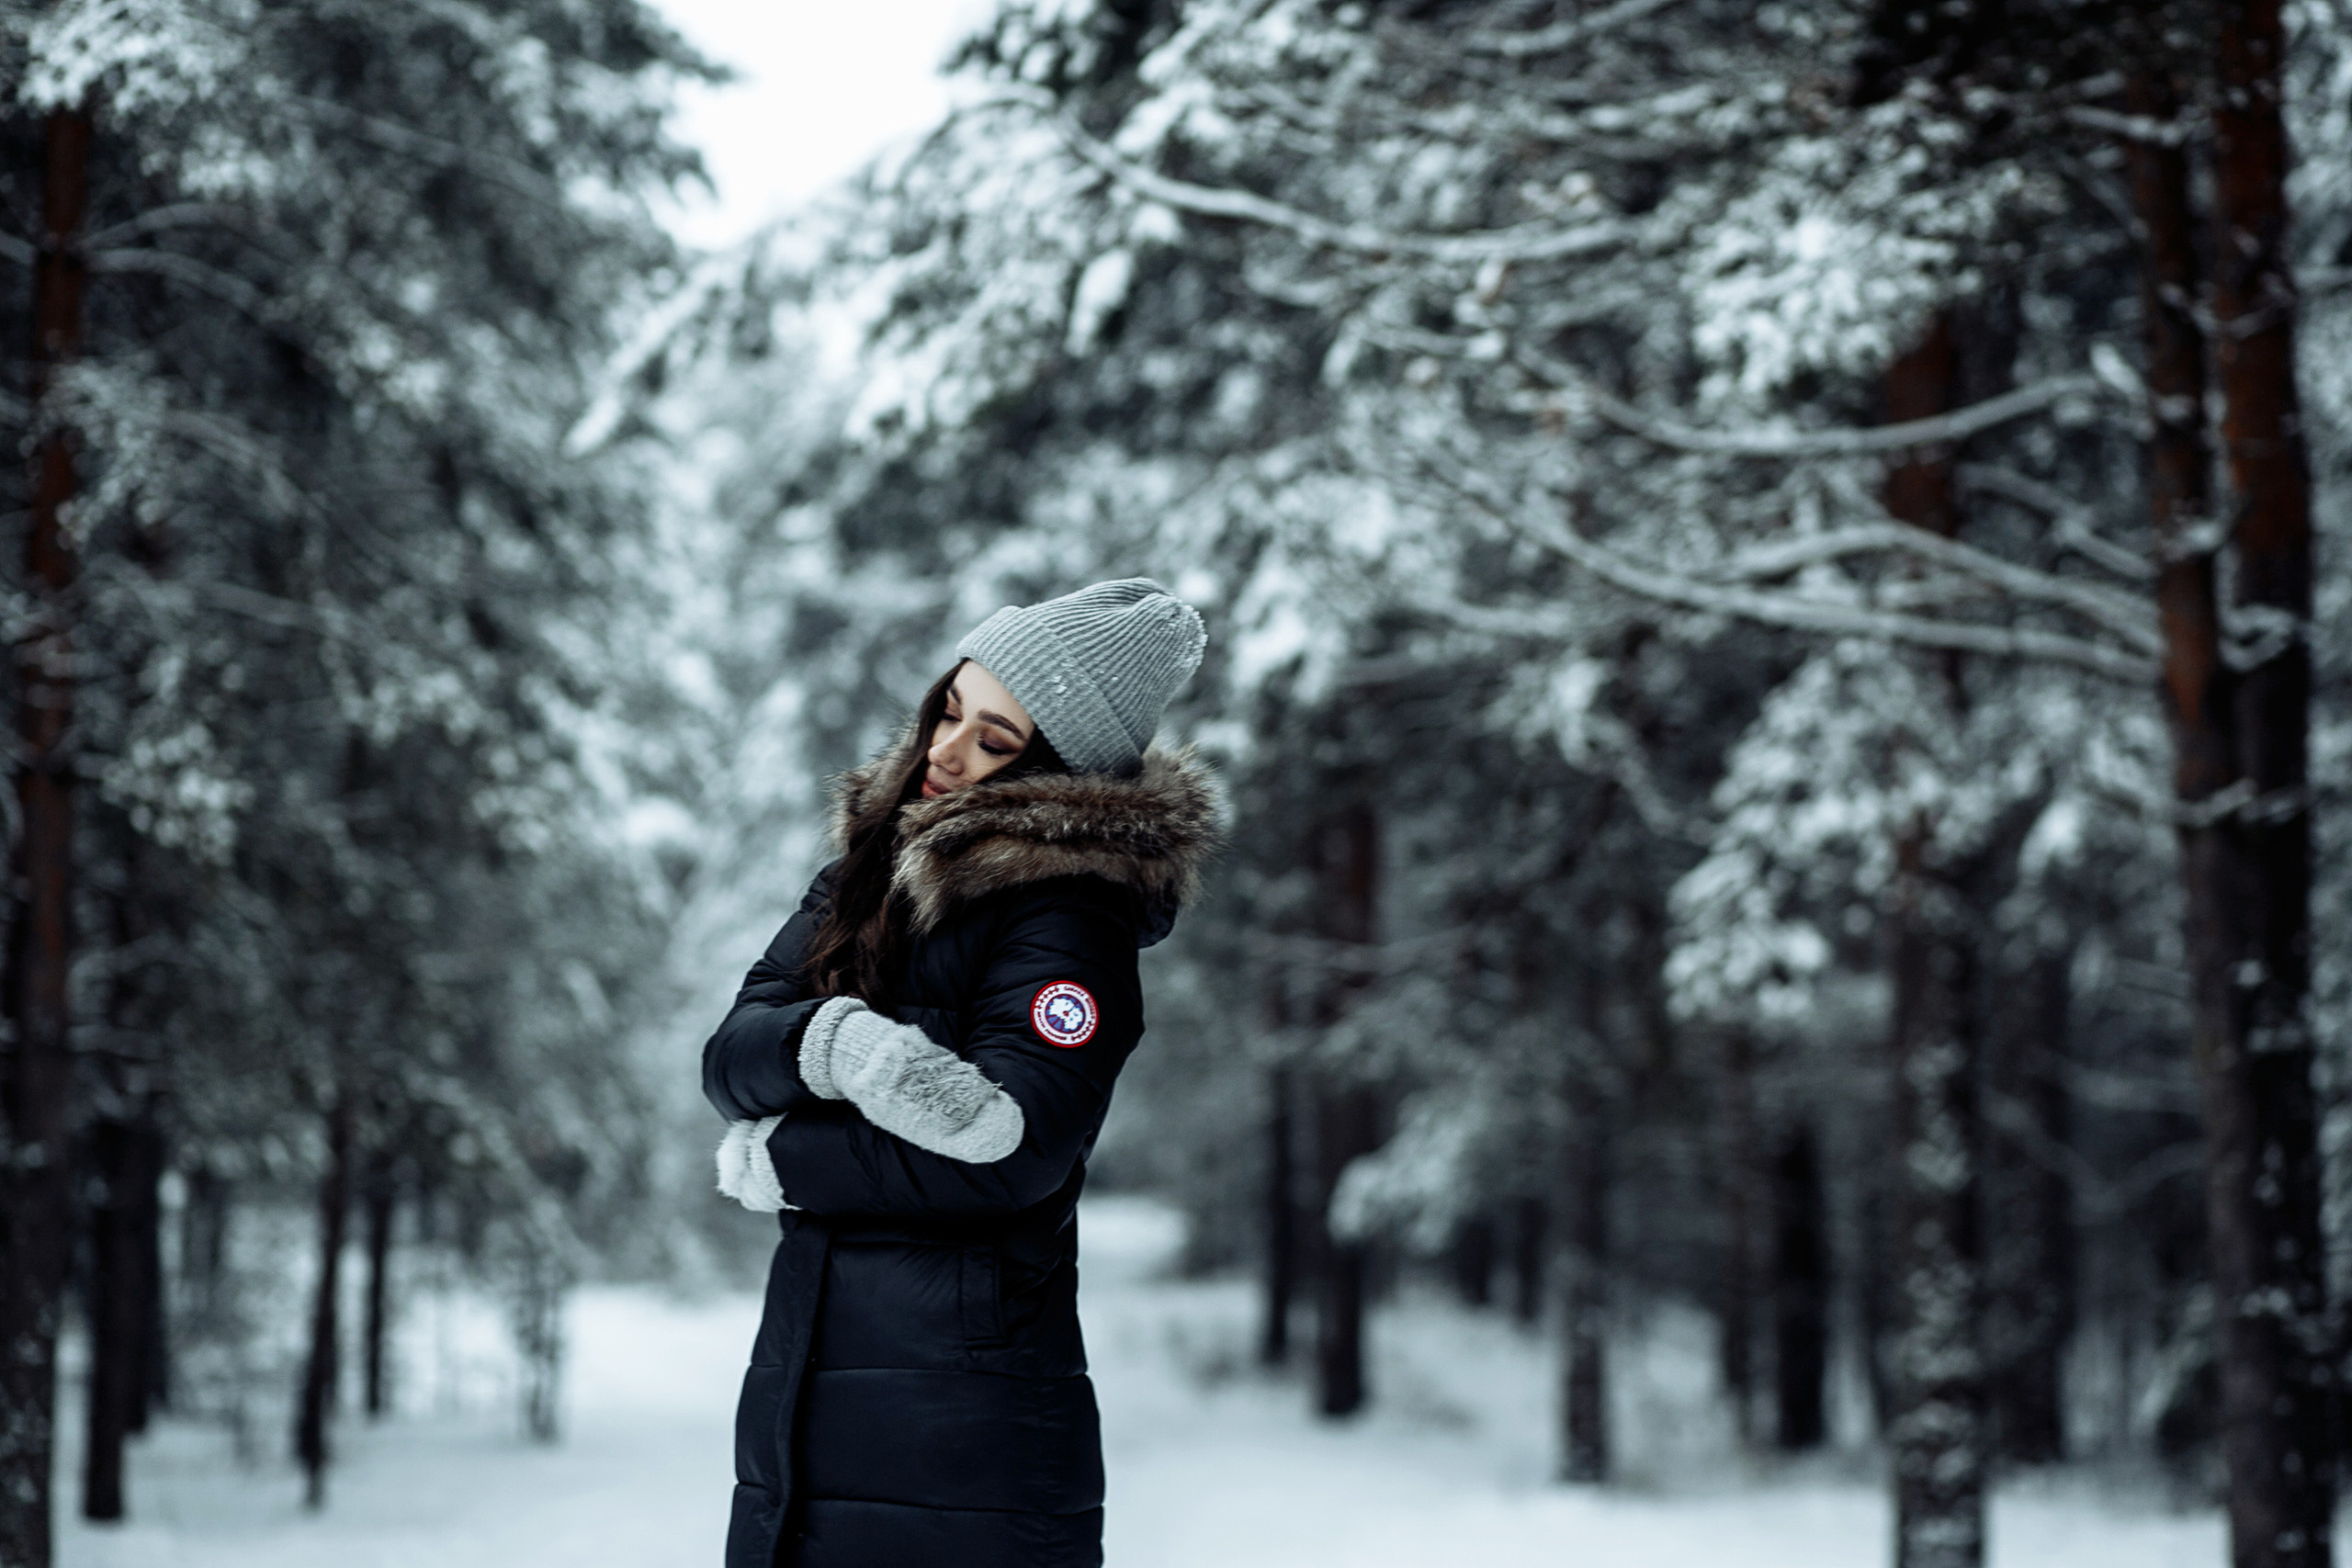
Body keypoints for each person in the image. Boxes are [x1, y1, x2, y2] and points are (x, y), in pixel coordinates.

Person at [702, 579, 1220, 1568]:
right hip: (808, 1394)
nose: (945, 750)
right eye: (950, 709)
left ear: (1056, 768)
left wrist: (788, 1160)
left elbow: (1007, 1150)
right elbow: (730, 1059)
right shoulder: (864, 876)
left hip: (966, 1431)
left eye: (993, 739)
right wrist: (835, 1045)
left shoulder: (1069, 915)